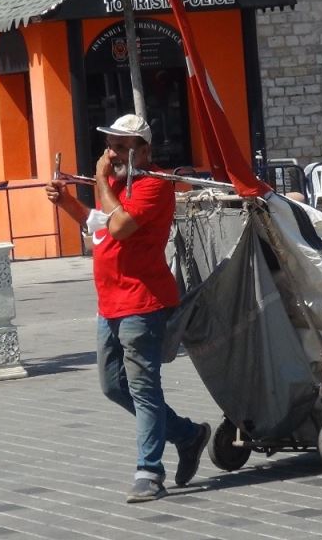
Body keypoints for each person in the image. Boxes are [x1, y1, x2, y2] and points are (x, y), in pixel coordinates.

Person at [45, 113, 210, 503]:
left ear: (144, 150)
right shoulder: (119, 185)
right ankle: (188, 435)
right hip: (110, 302)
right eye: (111, 145)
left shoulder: (154, 185)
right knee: (113, 386)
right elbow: (98, 227)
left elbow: (119, 226)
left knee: (144, 389)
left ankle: (149, 471)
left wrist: (101, 180)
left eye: (122, 147)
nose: (112, 153)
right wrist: (67, 201)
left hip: (142, 301)